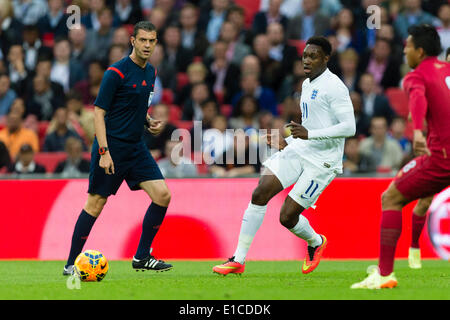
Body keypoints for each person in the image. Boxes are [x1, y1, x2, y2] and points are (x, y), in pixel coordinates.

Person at [213, 36, 355, 275]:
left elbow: (350, 127)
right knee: (260, 192)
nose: (307, 60)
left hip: (323, 162)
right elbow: (312, 124)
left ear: (326, 58)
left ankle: (316, 242)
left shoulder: (335, 87)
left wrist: (309, 135)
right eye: (305, 56)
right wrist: (288, 141)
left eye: (313, 56)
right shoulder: (307, 84)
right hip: (301, 149)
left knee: (287, 217)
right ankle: (238, 260)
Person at [63, 21, 173, 276]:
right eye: (143, 40)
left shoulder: (151, 73)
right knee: (95, 203)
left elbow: (134, 105)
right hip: (111, 146)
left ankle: (142, 256)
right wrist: (104, 152)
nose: (147, 45)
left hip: (136, 148)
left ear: (156, 43)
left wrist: (147, 120)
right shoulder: (116, 72)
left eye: (152, 41)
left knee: (163, 195)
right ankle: (70, 264)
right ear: (132, 41)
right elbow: (99, 112)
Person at [351, 25, 450, 289]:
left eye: (407, 46)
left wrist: (417, 130)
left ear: (419, 51)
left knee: (391, 197)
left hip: (441, 158)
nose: (403, 50)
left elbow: (417, 99)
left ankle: (384, 275)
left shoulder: (416, 76)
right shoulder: (447, 70)